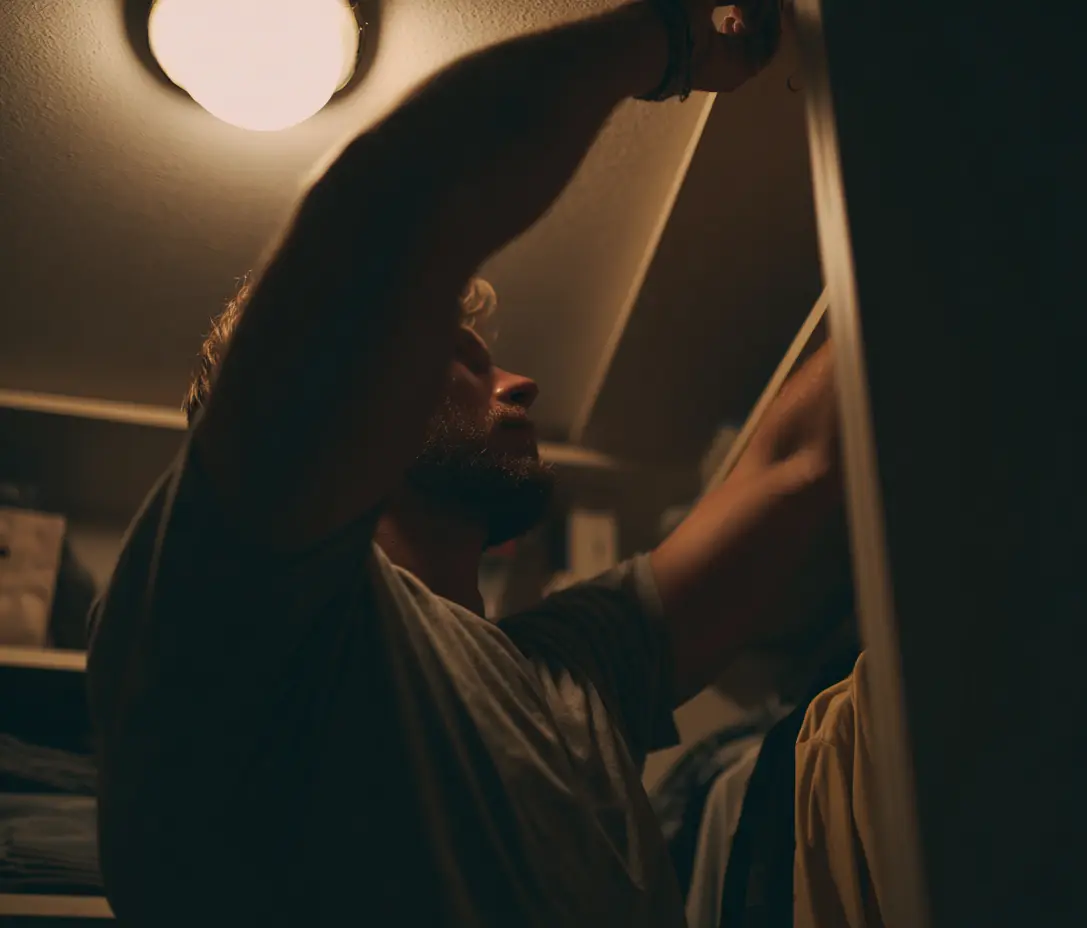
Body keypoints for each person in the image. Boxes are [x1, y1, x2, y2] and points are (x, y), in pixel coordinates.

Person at [87, 1, 844, 925]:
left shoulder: (577, 668)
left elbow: (796, 462)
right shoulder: (241, 604)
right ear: (359, 391)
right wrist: (674, 36)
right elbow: (395, 205)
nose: (520, 384)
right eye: (465, 359)